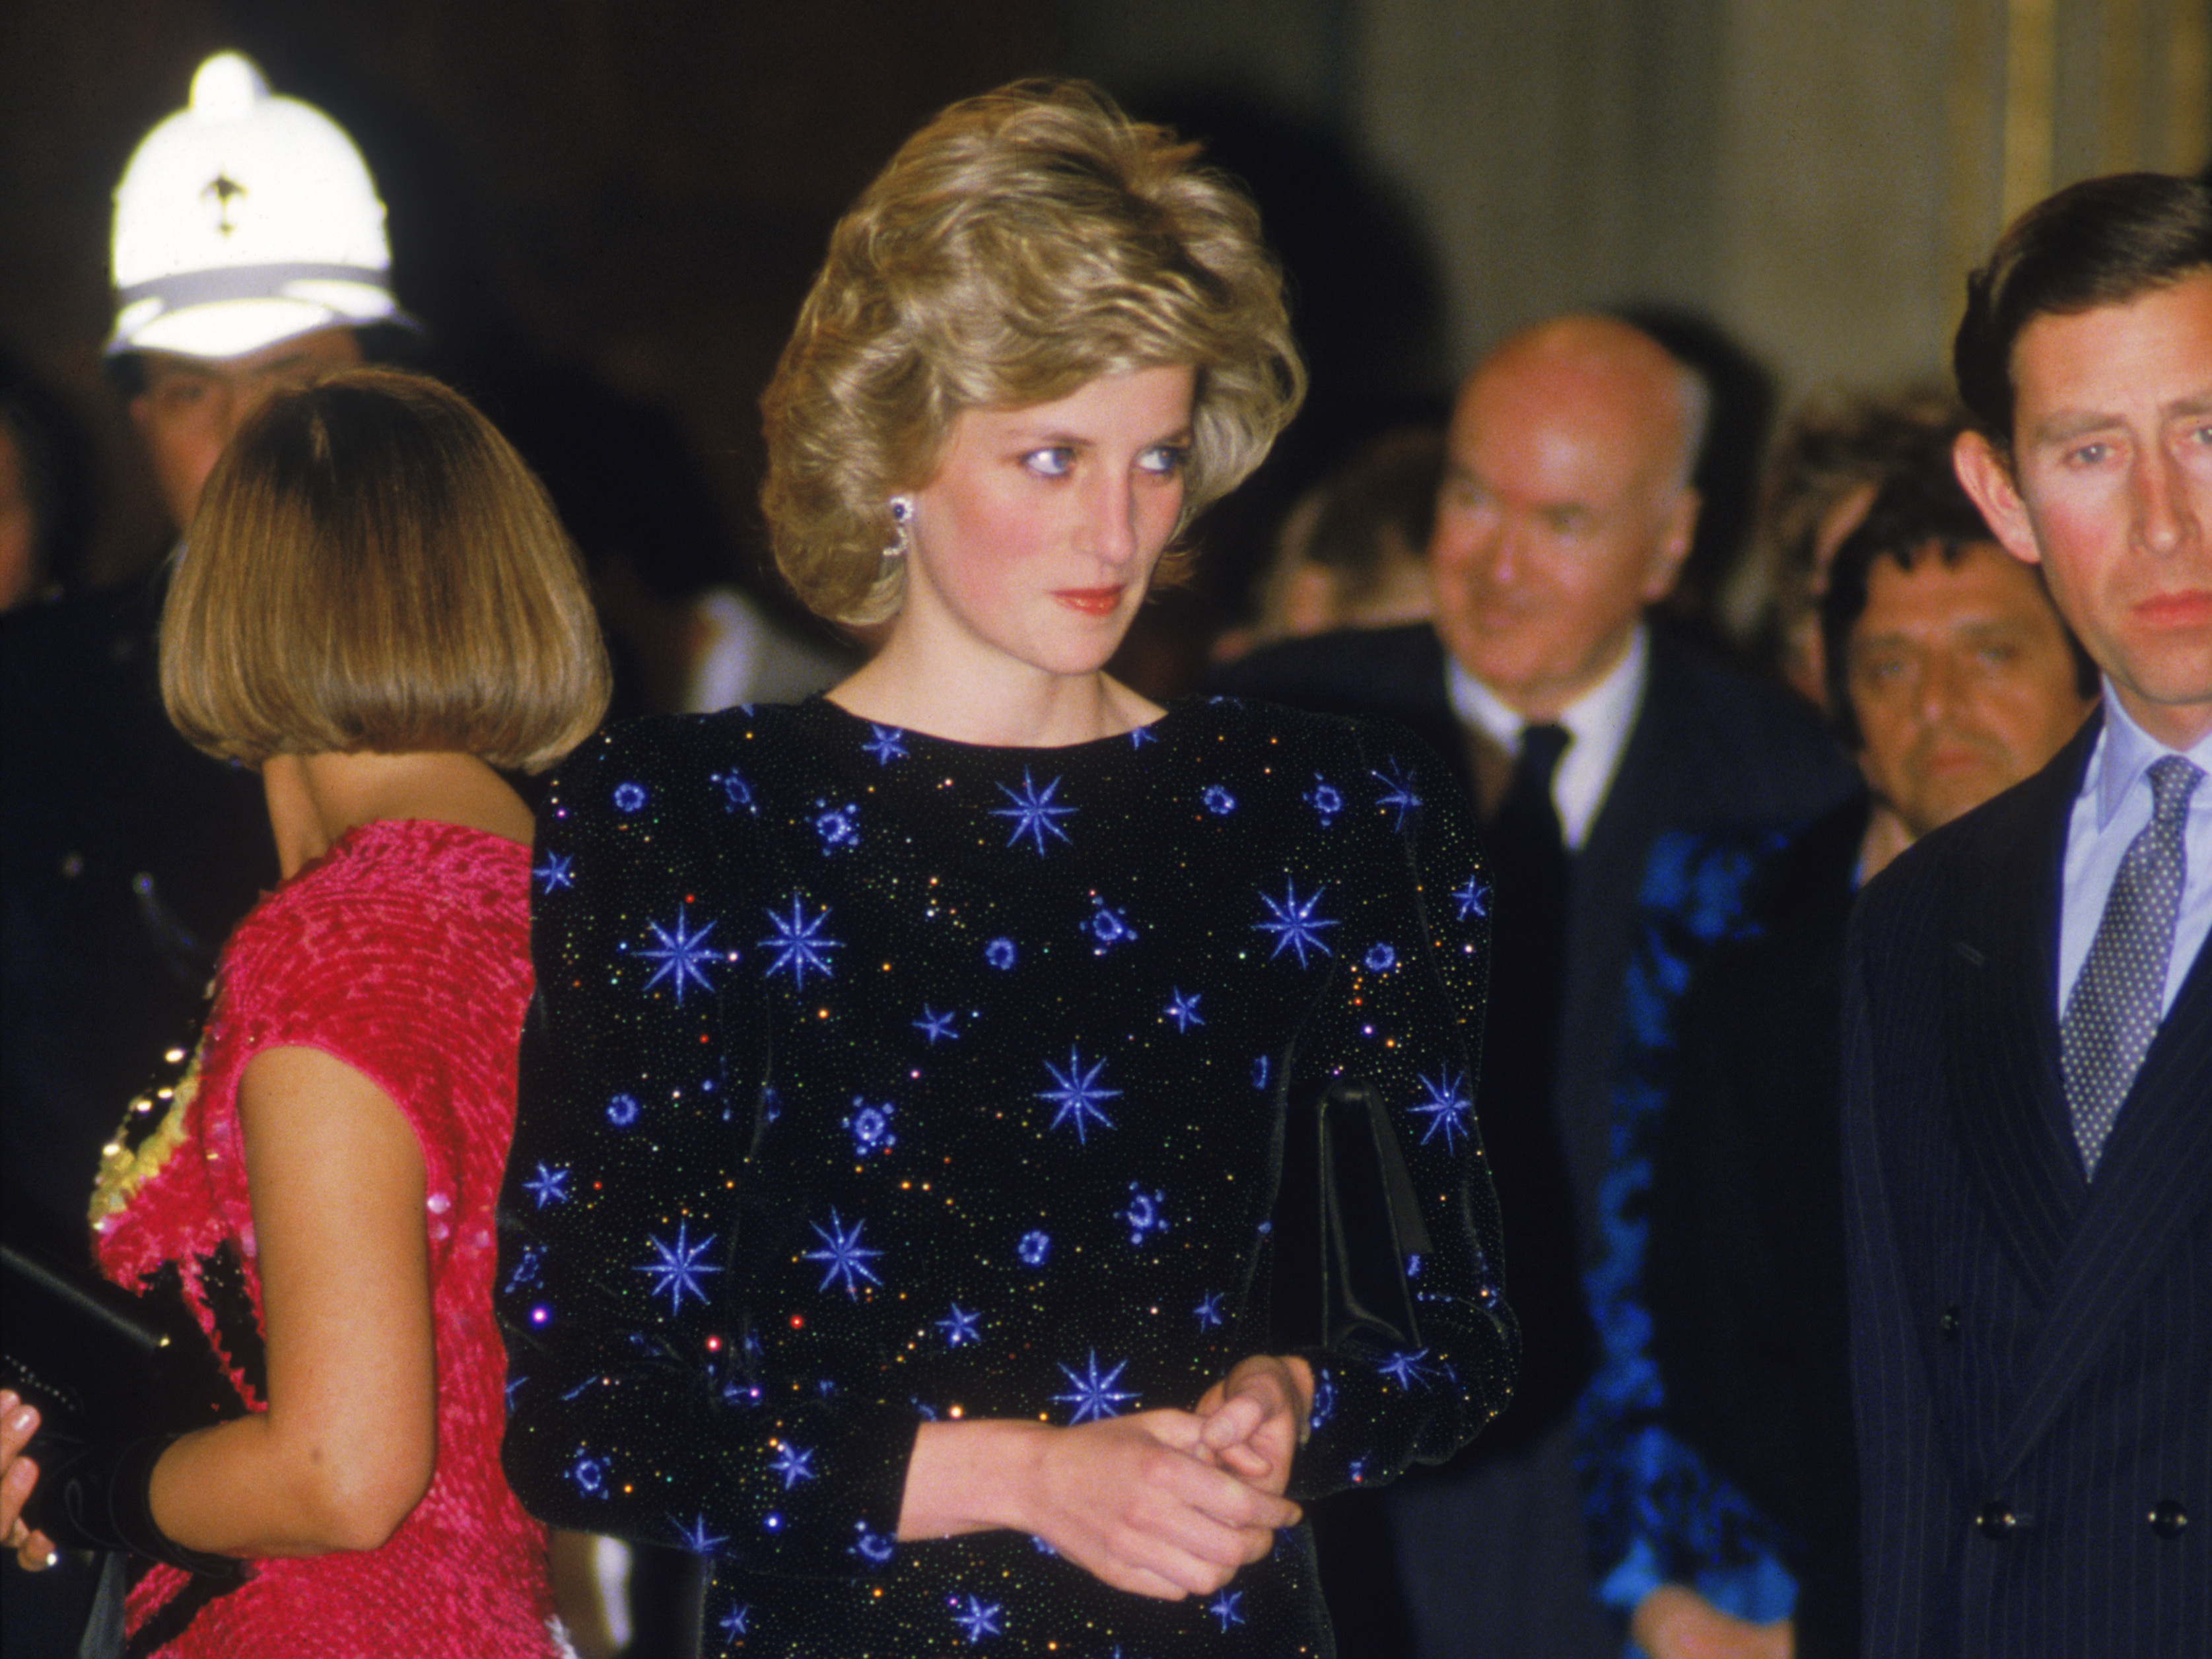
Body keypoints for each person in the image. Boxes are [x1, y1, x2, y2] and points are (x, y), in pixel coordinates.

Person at [496, 81, 1517, 1658]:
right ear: (893, 448)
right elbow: (589, 1410)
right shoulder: (691, 825)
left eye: (1158, 459)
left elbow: (1451, 1335)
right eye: (1051, 460)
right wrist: (1030, 1480)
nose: (1117, 530)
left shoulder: (1330, 812)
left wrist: (1292, 1402)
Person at [1214, 314, 1856, 1659]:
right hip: (1323, 1491)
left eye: (1559, 522)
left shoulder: (1791, 789)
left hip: (1632, 1543)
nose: (1493, 566)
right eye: (1468, 499)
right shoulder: (1270, 741)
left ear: (1671, 544)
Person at [0, 368, 611, 1654]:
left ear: (227, 609)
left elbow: (343, 1469)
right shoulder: (575, 907)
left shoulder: (338, 943)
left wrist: (91, 1480)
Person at [1618, 460, 2098, 1659]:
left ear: (2088, 677)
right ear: (1838, 710)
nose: (1940, 702)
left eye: (1991, 651)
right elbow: (1715, 1349)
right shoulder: (1766, 1002)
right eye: (1889, 667)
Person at [1846, 170, 2212, 1654]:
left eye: (2208, 435)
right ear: (2003, 496)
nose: (2165, 523)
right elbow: (1908, 1477)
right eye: (2090, 453)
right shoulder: (1918, 920)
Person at [2, 51, 405, 1277]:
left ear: (397, 392)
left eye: (292, 379)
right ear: (141, 421)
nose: (245, 441)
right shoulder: (27, 698)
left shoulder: (539, 713)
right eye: (194, 392)